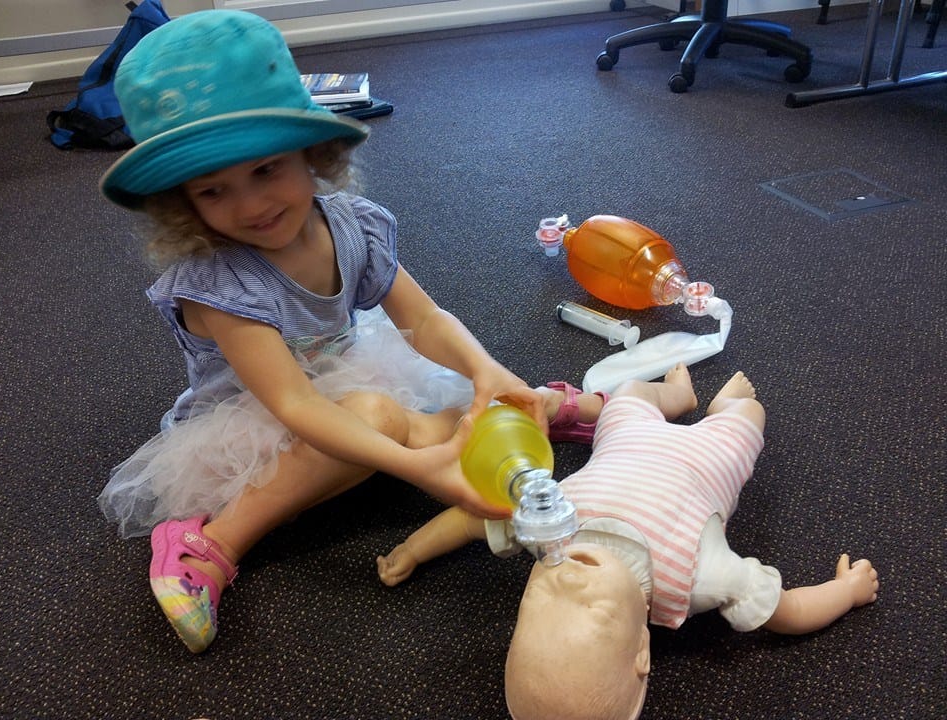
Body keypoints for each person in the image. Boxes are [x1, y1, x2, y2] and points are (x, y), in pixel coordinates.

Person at [96, 9, 599, 655]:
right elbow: (294, 403)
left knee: (408, 413)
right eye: (213, 191)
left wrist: (486, 371)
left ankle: (518, 409)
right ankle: (212, 541)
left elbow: (421, 319)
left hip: (344, 379)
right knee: (383, 422)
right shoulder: (219, 283)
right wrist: (421, 471)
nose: (250, 206)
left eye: (267, 170)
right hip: (253, 420)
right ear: (181, 201)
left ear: (313, 153)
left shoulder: (352, 225)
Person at [377, 364, 880, 720]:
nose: (566, 575)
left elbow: (470, 520)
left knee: (632, 392)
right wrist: (847, 593)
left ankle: (675, 397)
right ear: (643, 647)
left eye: (537, 598)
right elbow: (785, 611)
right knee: (748, 417)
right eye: (593, 609)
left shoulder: (550, 532)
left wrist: (414, 549)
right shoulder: (697, 577)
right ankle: (722, 405)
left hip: (628, 440)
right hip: (706, 458)